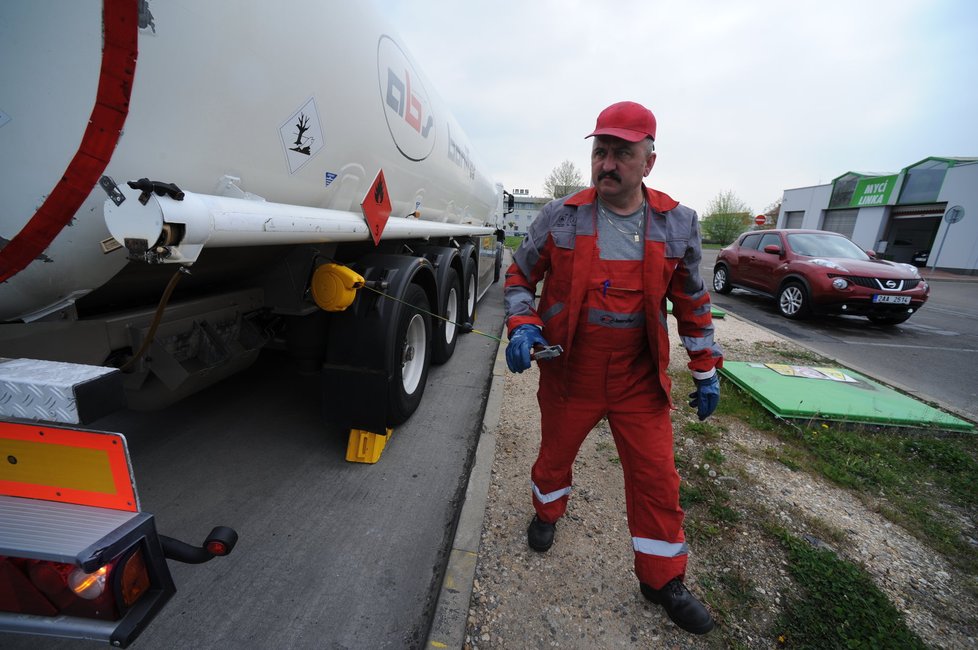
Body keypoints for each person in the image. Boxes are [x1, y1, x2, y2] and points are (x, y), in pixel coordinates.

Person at [503, 101, 723, 635]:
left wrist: (705, 366)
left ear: (649, 160)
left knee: (657, 479)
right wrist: (522, 325)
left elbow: (693, 303)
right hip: (570, 373)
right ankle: (547, 513)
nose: (607, 163)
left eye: (622, 153)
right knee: (554, 456)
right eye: (600, 151)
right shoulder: (561, 215)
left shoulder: (678, 223)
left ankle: (662, 580)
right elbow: (517, 278)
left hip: (637, 379)